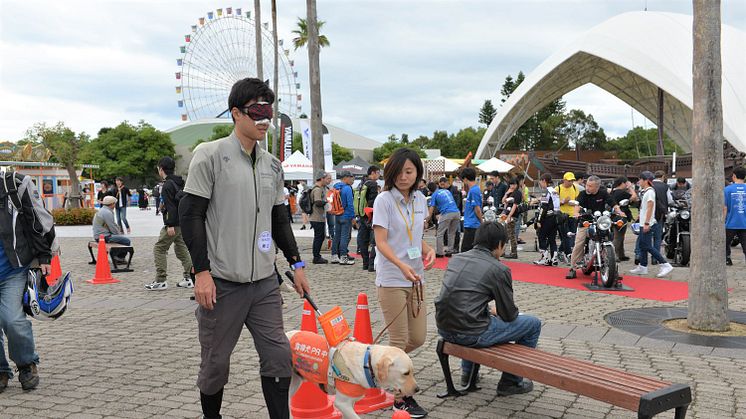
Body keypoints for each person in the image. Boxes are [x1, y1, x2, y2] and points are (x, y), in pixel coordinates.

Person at [179, 78, 310, 419]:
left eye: (269, 111)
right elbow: (190, 214)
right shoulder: (210, 155)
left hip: (265, 282)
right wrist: (201, 272)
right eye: (257, 111)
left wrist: (297, 264)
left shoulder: (273, 165)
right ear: (236, 114)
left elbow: (279, 218)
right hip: (222, 281)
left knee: (279, 355)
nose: (265, 119)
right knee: (215, 364)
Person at [435, 221, 541, 395]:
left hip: (444, 328)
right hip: (471, 333)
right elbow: (509, 315)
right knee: (533, 324)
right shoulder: (499, 269)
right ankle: (511, 381)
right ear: (499, 244)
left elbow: (461, 298)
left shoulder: (457, 259)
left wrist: (488, 309)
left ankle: (467, 374)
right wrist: (497, 311)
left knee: (479, 315)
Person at [372, 147, 435, 417]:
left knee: (418, 338)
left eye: (408, 171)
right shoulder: (384, 200)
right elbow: (381, 241)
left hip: (415, 277)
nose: (403, 176)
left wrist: (426, 249)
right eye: (397, 172)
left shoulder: (420, 199)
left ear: (418, 173)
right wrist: (400, 264)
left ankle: (376, 368)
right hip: (391, 278)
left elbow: (412, 236)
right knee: (399, 340)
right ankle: (400, 399)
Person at [0, 169, 55, 391]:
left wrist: (44, 256)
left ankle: (26, 363)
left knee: (12, 320)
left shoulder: (14, 184)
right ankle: (1, 371)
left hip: (13, 269)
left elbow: (36, 219)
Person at [146, 157, 194, 291]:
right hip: (183, 221)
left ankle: (161, 280)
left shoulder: (167, 184)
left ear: (161, 169)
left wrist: (170, 224)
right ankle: (190, 277)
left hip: (174, 222)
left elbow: (171, 206)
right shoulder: (180, 182)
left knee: (159, 248)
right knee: (181, 248)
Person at [565, 175, 623, 279]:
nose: (587, 187)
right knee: (579, 243)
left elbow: (613, 203)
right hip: (586, 221)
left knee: (609, 239)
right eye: (587, 185)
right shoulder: (583, 194)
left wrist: (619, 211)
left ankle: (613, 270)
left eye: (590, 186)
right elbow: (577, 205)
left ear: (597, 187)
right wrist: (576, 213)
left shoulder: (603, 193)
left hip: (600, 221)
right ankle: (572, 268)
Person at [630, 171, 673, 277]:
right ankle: (643, 266)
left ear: (646, 180)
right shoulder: (646, 191)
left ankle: (665, 264)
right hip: (644, 222)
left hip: (647, 223)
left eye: (640, 179)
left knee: (647, 245)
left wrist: (646, 223)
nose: (639, 181)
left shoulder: (650, 192)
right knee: (643, 245)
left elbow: (650, 208)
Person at [92, 196, 131, 264]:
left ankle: (116, 256)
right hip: (104, 237)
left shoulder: (101, 210)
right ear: (112, 204)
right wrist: (119, 235)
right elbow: (112, 227)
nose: (115, 205)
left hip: (98, 235)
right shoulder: (107, 212)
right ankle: (119, 258)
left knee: (120, 239)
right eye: (114, 203)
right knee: (126, 241)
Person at [427, 179, 460, 257]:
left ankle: (439, 252)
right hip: (456, 213)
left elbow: (431, 208)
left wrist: (427, 220)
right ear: (437, 186)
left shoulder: (434, 195)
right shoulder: (446, 191)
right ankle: (450, 251)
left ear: (430, 190)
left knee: (440, 234)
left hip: (447, 213)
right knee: (451, 233)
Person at [357, 165, 381, 271]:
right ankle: (372, 265)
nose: (379, 175)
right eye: (378, 173)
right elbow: (373, 201)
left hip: (362, 215)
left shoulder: (362, 183)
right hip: (371, 215)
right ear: (373, 173)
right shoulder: (372, 184)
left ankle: (365, 263)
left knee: (363, 240)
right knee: (375, 241)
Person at [533, 174, 560, 266]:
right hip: (556, 217)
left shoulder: (546, 192)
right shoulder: (555, 191)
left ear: (544, 180)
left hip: (547, 217)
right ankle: (554, 259)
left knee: (541, 236)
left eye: (540, 181)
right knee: (552, 238)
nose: (540, 183)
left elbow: (543, 208)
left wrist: (539, 221)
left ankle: (544, 258)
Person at [331, 171, 356, 265]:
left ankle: (334, 256)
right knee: (344, 236)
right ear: (345, 178)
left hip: (337, 214)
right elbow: (350, 204)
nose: (352, 179)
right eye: (350, 177)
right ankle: (343, 257)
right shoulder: (347, 188)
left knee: (336, 236)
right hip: (346, 215)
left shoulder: (336, 187)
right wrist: (353, 217)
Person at [610, 177, 638, 261]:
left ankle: (621, 254)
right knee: (618, 237)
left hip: (613, 216)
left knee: (619, 236)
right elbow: (634, 198)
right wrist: (630, 188)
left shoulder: (613, 191)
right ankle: (613, 255)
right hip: (621, 216)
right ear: (622, 183)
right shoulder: (621, 192)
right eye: (626, 183)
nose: (626, 184)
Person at [557, 172, 580, 264]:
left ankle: (561, 251)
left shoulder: (575, 188)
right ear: (564, 180)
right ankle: (568, 254)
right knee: (566, 236)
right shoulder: (557, 189)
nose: (571, 182)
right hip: (562, 215)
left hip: (573, 215)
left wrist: (575, 204)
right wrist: (563, 201)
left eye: (572, 180)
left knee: (572, 235)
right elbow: (553, 204)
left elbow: (578, 200)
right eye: (569, 180)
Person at [725, 166, 746, 266]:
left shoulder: (727, 190)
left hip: (730, 222)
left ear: (734, 176)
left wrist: (723, 221)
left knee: (725, 243)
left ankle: (727, 259)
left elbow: (724, 208)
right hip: (744, 223)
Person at [310, 171, 331, 264]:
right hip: (316, 217)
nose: (327, 181)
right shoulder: (317, 189)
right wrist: (326, 203)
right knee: (319, 237)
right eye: (326, 178)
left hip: (317, 217)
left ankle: (317, 256)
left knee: (319, 236)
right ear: (321, 178)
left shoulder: (319, 188)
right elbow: (317, 201)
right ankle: (316, 257)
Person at [460, 167, 482, 253]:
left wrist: (481, 221)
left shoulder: (474, 191)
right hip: (470, 223)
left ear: (465, 179)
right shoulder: (474, 189)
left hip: (472, 224)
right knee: (469, 249)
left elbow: (477, 209)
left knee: (465, 250)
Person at [439, 176, 463, 253]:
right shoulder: (441, 191)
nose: (442, 186)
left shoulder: (454, 190)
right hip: (445, 213)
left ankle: (455, 248)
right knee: (447, 231)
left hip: (454, 212)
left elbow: (457, 202)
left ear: (447, 183)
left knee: (455, 231)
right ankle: (449, 247)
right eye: (440, 185)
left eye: (443, 184)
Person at [502, 177, 522, 259]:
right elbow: (503, 201)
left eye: (514, 184)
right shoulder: (509, 192)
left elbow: (515, 205)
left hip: (513, 215)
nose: (512, 186)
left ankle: (514, 253)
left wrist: (510, 216)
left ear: (517, 184)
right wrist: (507, 193)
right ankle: (503, 251)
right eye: (511, 184)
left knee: (511, 234)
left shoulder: (517, 193)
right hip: (507, 214)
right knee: (506, 233)